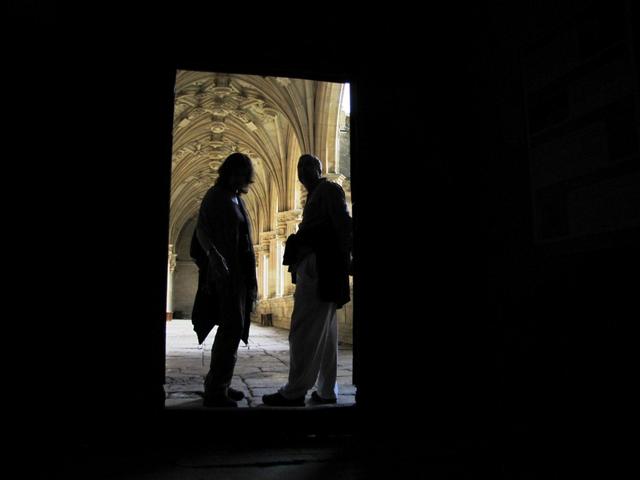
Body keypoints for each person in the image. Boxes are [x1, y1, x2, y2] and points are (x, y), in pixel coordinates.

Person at [262, 154, 352, 407]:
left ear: (320, 169)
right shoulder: (316, 194)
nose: (303, 171)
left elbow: (344, 224)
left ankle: (294, 391)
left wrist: (346, 261)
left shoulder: (328, 189)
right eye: (300, 167)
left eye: (308, 166)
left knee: (302, 331)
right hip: (320, 266)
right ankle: (326, 391)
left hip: (321, 267)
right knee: (325, 334)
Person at [190, 152, 257, 407]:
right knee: (230, 327)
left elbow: (245, 239)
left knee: (235, 328)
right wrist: (214, 256)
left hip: (239, 273)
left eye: (245, 175)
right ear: (230, 172)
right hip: (224, 273)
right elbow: (202, 230)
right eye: (241, 174)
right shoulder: (215, 195)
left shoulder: (237, 199)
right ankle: (216, 389)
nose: (244, 179)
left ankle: (221, 384)